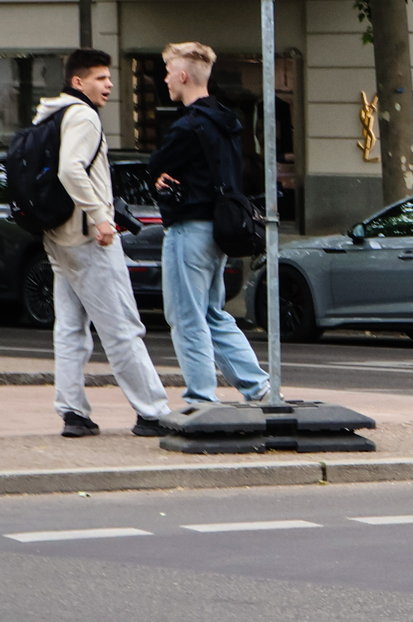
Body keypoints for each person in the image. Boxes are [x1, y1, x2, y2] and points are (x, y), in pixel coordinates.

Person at [41, 49, 171, 438]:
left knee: (69, 328)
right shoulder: (83, 115)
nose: (109, 84)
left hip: (58, 236)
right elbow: (70, 169)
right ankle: (153, 412)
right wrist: (100, 217)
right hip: (88, 238)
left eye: (109, 78)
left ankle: (73, 413)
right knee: (122, 327)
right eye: (100, 78)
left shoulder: (51, 113)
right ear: (77, 82)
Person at [150, 42, 272, 409]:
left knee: (187, 318)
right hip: (219, 231)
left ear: (184, 76)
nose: (166, 78)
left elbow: (156, 165)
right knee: (213, 314)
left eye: (170, 71)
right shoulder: (227, 121)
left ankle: (200, 398)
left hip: (189, 230)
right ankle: (258, 386)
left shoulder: (187, 127)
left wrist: (160, 178)